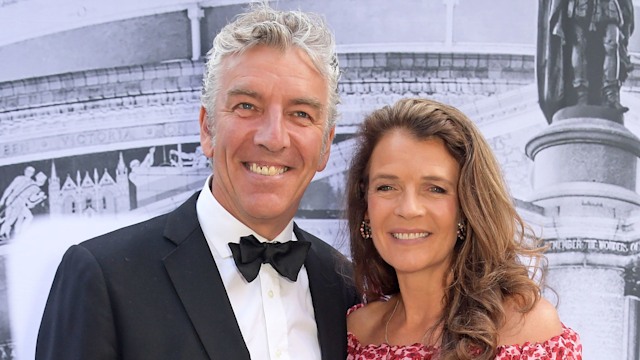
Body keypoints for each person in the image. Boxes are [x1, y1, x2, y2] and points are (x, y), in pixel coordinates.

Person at [36, 4, 358, 360]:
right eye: (247, 107)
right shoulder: (103, 277)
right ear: (207, 129)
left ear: (326, 145)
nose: (274, 137)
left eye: (301, 114)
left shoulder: (346, 288)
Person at [344, 98, 582, 359]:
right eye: (386, 187)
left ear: (467, 208)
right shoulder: (356, 333)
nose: (409, 208)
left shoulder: (530, 330)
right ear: (365, 207)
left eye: (435, 189)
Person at [537, 0, 634, 121]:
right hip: (580, 4)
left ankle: (611, 96)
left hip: (608, 4)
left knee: (612, 43)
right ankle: (581, 95)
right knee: (579, 45)